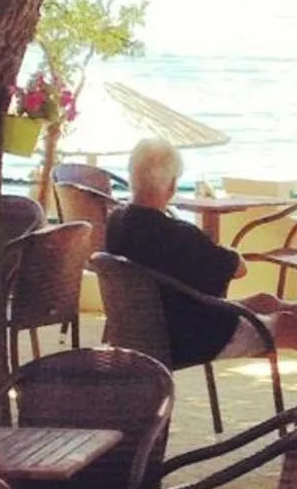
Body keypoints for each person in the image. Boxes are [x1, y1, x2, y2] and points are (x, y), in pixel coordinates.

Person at [104, 136, 266, 366]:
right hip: (191, 339)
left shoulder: (116, 223)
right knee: (287, 325)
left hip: (145, 330)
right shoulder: (178, 235)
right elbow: (239, 269)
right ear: (171, 186)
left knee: (265, 302)